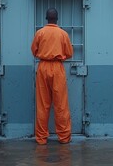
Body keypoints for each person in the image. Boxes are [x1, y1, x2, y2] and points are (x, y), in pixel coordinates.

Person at [31, 8, 73, 145]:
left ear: (46, 18)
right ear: (57, 18)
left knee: (43, 104)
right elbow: (69, 53)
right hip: (57, 67)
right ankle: (64, 137)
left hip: (43, 66)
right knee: (61, 104)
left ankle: (41, 138)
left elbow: (34, 50)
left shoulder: (40, 33)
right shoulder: (63, 34)